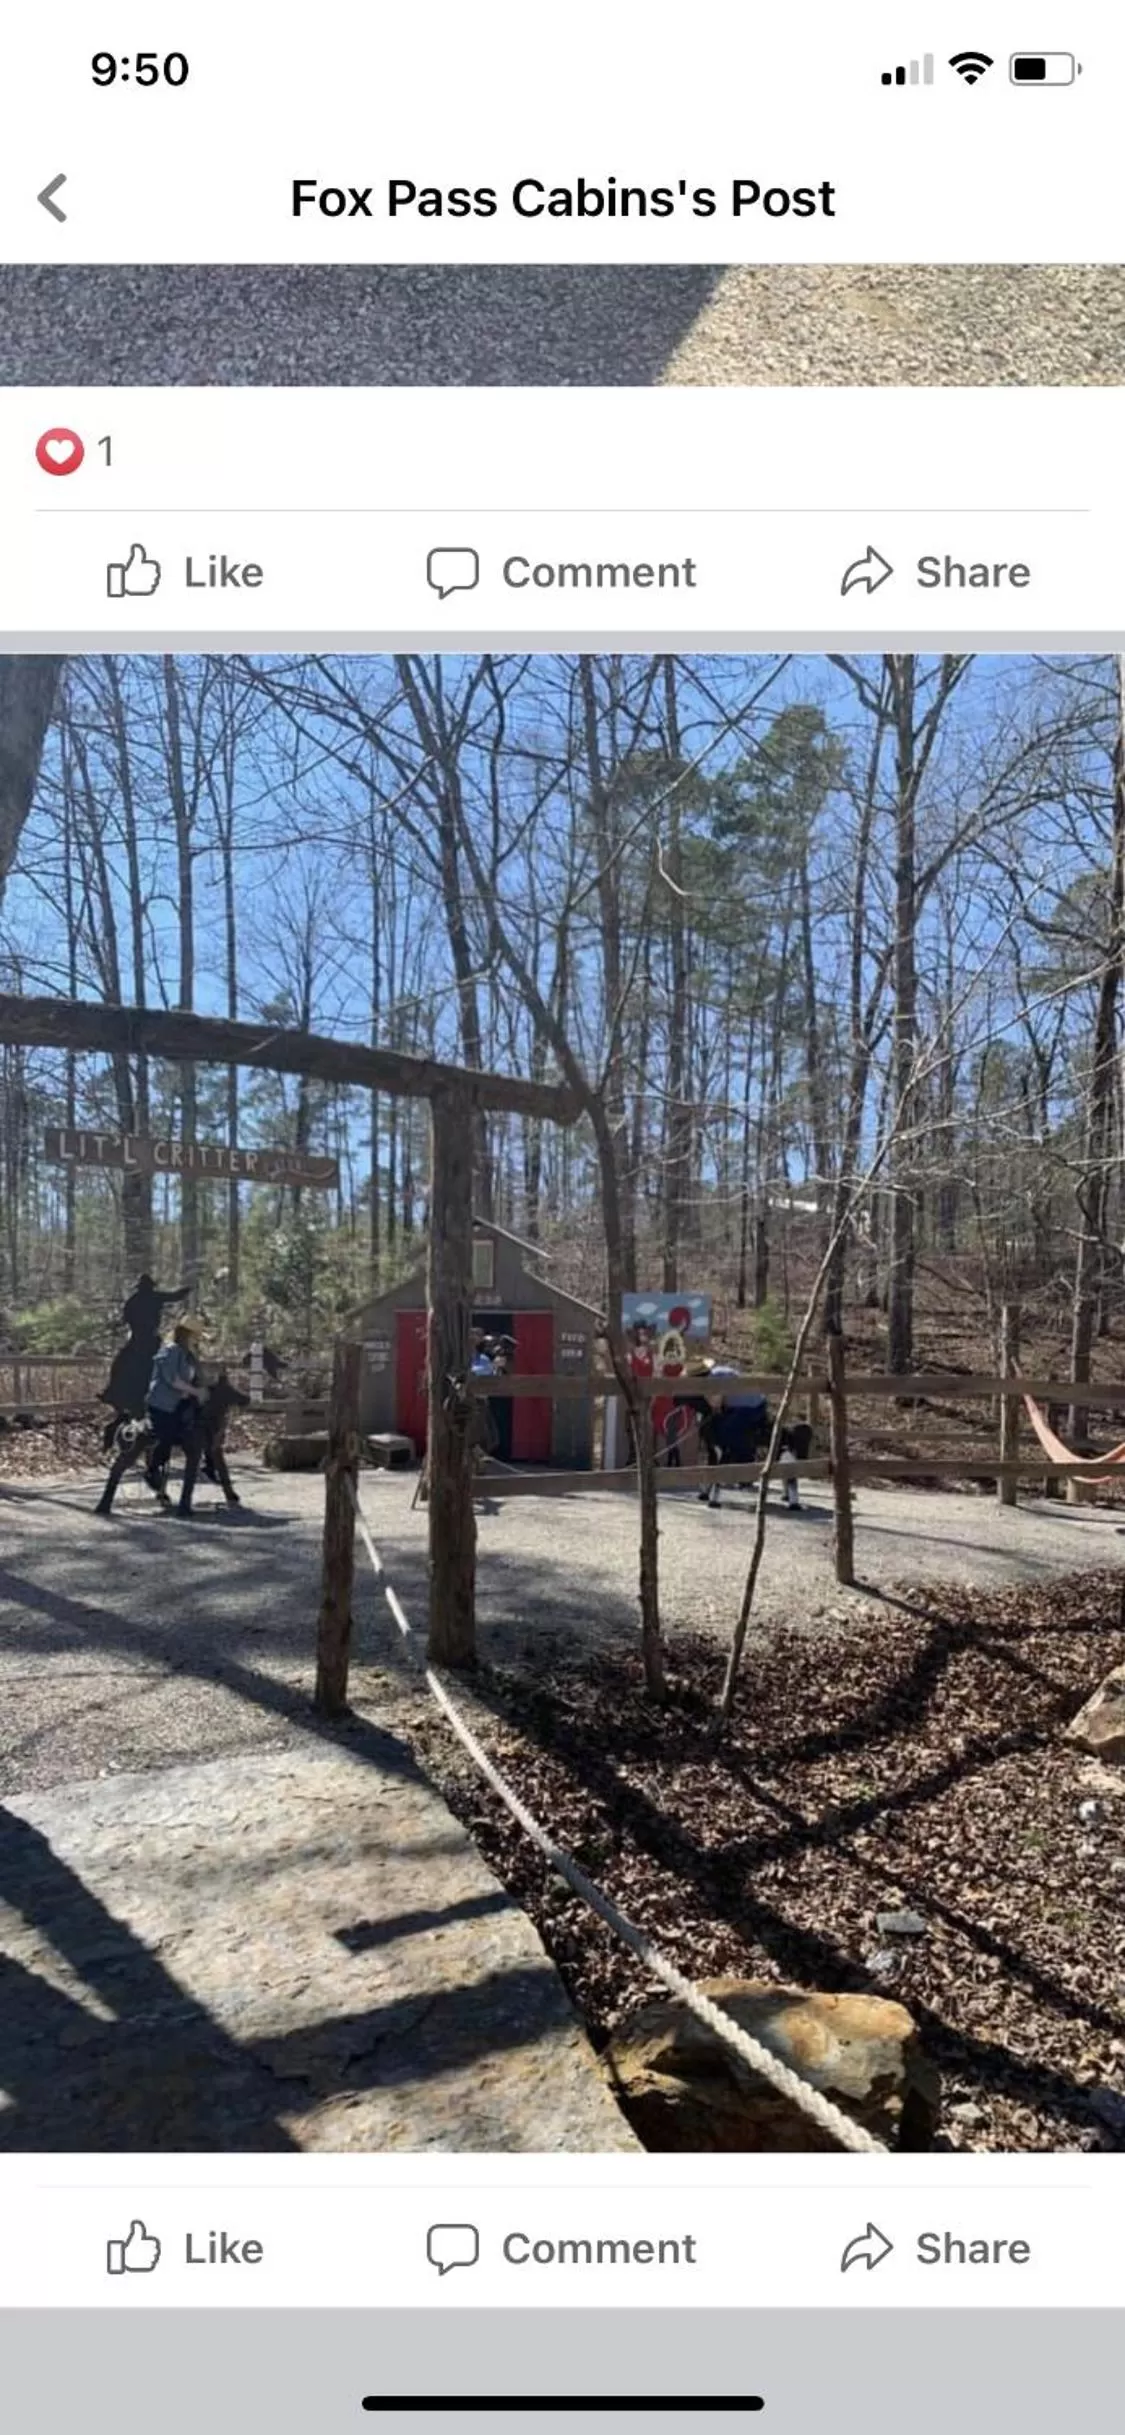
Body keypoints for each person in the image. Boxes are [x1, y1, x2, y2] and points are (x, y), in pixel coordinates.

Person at [99, 1271, 191, 1422]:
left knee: (119, 1364)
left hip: (137, 1340)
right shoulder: (155, 1297)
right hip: (152, 1340)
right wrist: (187, 1290)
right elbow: (174, 1296)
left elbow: (125, 1319)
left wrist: (115, 1326)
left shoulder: (132, 1301)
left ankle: (112, 1392)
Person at [144, 1318, 206, 1514]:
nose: (197, 1340)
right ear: (187, 1334)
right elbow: (173, 1380)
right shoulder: (170, 1351)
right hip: (162, 1404)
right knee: (166, 1435)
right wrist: (195, 1392)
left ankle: (209, 1461)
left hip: (181, 1402)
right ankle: (152, 1469)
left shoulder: (189, 1356)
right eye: (195, 1336)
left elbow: (196, 1377)